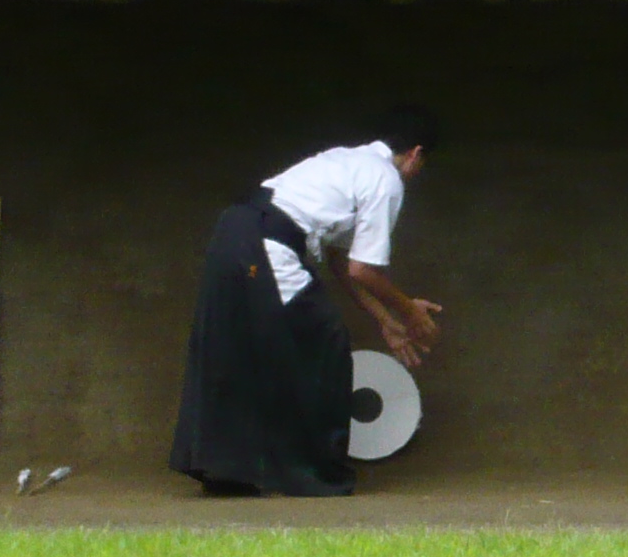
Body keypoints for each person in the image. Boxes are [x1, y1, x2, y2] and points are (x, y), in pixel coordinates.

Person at [169, 108, 445, 497]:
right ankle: (316, 474)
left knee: (236, 347)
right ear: (415, 154)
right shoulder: (386, 179)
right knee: (324, 344)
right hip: (268, 244)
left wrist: (385, 319)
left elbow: (340, 262)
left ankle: (224, 473)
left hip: (234, 233)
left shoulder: (348, 161)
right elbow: (363, 269)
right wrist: (409, 310)